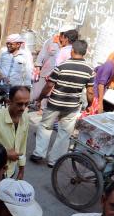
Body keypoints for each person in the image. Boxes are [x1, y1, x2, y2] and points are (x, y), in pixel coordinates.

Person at [31, 39, 94, 167]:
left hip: (55, 103)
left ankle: (39, 154)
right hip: (72, 107)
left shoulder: (61, 67)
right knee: (64, 133)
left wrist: (40, 98)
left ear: (72, 51)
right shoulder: (89, 70)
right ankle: (54, 161)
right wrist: (90, 105)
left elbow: (49, 85)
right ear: (85, 53)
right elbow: (90, 92)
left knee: (45, 126)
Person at [31, 30, 71, 104]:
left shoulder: (69, 46)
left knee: (49, 91)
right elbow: (42, 53)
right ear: (61, 35)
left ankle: (42, 107)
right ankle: (34, 103)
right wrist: (38, 67)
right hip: (45, 70)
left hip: (56, 73)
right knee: (37, 90)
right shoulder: (51, 41)